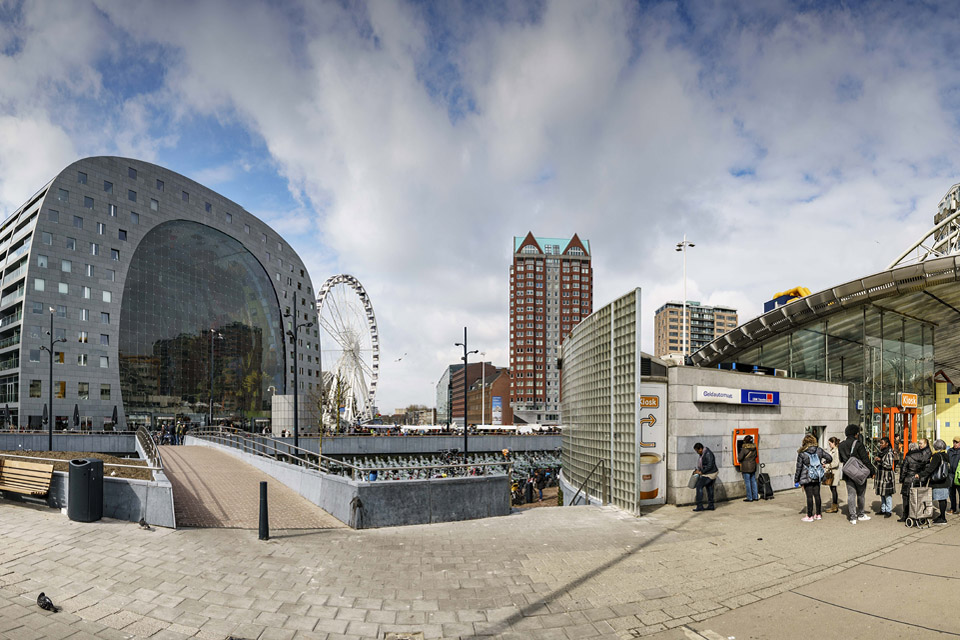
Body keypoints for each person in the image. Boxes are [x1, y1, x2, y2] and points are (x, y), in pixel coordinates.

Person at [838, 424, 874, 525]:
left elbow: (841, 459)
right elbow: (865, 459)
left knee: (851, 494)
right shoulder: (858, 444)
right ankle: (861, 514)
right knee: (861, 494)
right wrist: (871, 471)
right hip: (859, 473)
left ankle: (852, 517)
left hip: (848, 473)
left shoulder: (841, 445)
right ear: (856, 434)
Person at [794, 434, 832, 521]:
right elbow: (830, 458)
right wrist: (823, 463)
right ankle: (818, 514)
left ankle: (809, 516)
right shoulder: (819, 450)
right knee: (817, 495)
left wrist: (796, 480)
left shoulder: (802, 453)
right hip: (817, 475)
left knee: (809, 496)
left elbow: (798, 468)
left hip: (806, 476)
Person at [921, 439, 951, 525]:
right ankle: (942, 516)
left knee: (940, 500)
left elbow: (931, 469)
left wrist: (921, 474)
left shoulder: (936, 456)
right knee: (943, 499)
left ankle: (943, 518)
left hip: (937, 481)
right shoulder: (945, 455)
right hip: (945, 479)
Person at [898, 442, 925, 522]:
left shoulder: (908, 456)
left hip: (908, 479)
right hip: (918, 479)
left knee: (906, 497)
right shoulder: (922, 456)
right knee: (917, 497)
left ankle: (905, 516)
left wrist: (901, 479)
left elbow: (904, 469)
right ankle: (918, 515)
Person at [873, 437, 896, 518]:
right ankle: (883, 509)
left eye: (882, 443)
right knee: (882, 494)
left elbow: (889, 465)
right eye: (880, 443)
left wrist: (880, 461)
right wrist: (876, 460)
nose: (881, 444)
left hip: (887, 476)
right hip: (881, 475)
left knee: (887, 494)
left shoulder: (889, 453)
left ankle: (888, 510)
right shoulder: (881, 452)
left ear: (887, 444)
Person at [692, 442, 718, 512]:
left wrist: (701, 472)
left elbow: (710, 465)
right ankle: (711, 505)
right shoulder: (703, 453)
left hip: (710, 474)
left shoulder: (708, 454)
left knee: (699, 486)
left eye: (697, 451)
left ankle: (700, 506)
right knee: (709, 488)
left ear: (700, 449)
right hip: (709, 473)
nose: (697, 452)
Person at [824, 437, 842, 513]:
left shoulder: (836, 451)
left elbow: (836, 463)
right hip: (832, 472)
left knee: (833, 489)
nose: (829, 445)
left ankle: (834, 506)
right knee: (833, 489)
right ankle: (834, 505)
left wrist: (827, 465)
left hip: (834, 473)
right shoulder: (833, 450)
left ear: (833, 443)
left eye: (830, 443)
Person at [739, 436, 759, 502]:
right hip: (753, 466)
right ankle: (755, 496)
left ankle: (750, 497)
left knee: (747, 482)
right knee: (753, 481)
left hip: (746, 467)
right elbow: (756, 456)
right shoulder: (754, 448)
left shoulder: (744, 449)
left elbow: (740, 458)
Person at [949, 437, 960, 515]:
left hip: (958, 475)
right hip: (951, 475)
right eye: (954, 442)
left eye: (957, 442)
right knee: (951, 493)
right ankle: (953, 508)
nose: (955, 444)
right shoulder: (949, 451)